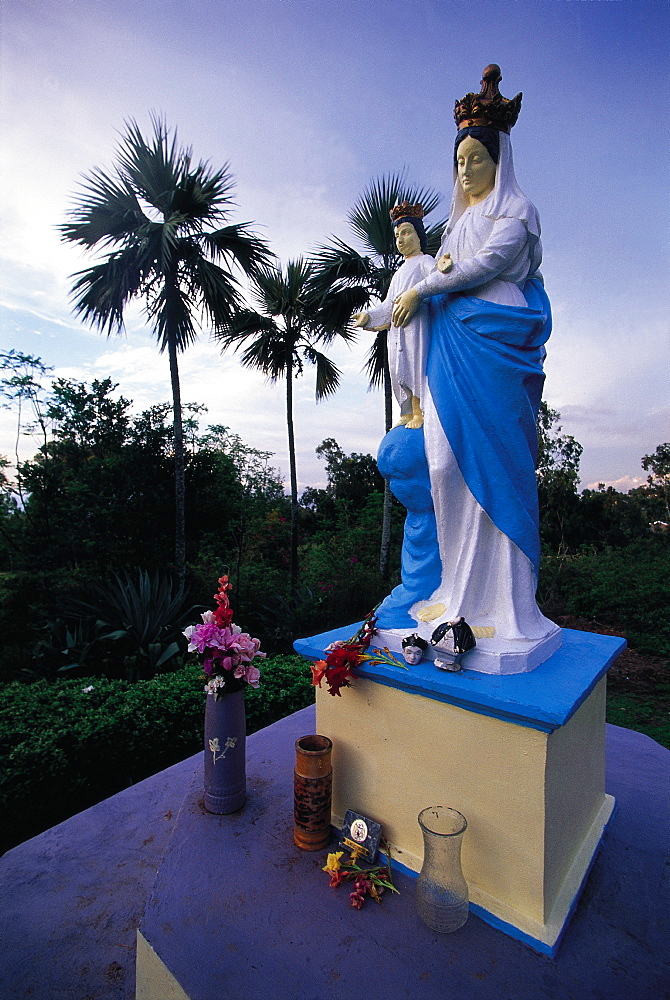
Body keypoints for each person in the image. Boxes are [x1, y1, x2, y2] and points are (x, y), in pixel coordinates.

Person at [377, 66, 559, 653]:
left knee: (498, 466)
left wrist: (423, 291)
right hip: (451, 352)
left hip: (495, 348)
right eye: (459, 161)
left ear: (498, 160)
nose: (465, 170)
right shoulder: (456, 224)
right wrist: (392, 308)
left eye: (476, 158)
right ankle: (459, 592)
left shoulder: (517, 210)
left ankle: (502, 604)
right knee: (444, 465)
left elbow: (484, 267)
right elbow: (433, 276)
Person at [354, 204, 439, 428]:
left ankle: (420, 410)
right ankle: (406, 411)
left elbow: (438, 282)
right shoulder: (399, 272)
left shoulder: (425, 262)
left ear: (419, 235)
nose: (400, 240)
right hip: (397, 332)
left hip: (417, 327)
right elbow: (387, 306)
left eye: (406, 233)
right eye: (397, 236)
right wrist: (368, 317)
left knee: (416, 365)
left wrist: (419, 295)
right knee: (399, 368)